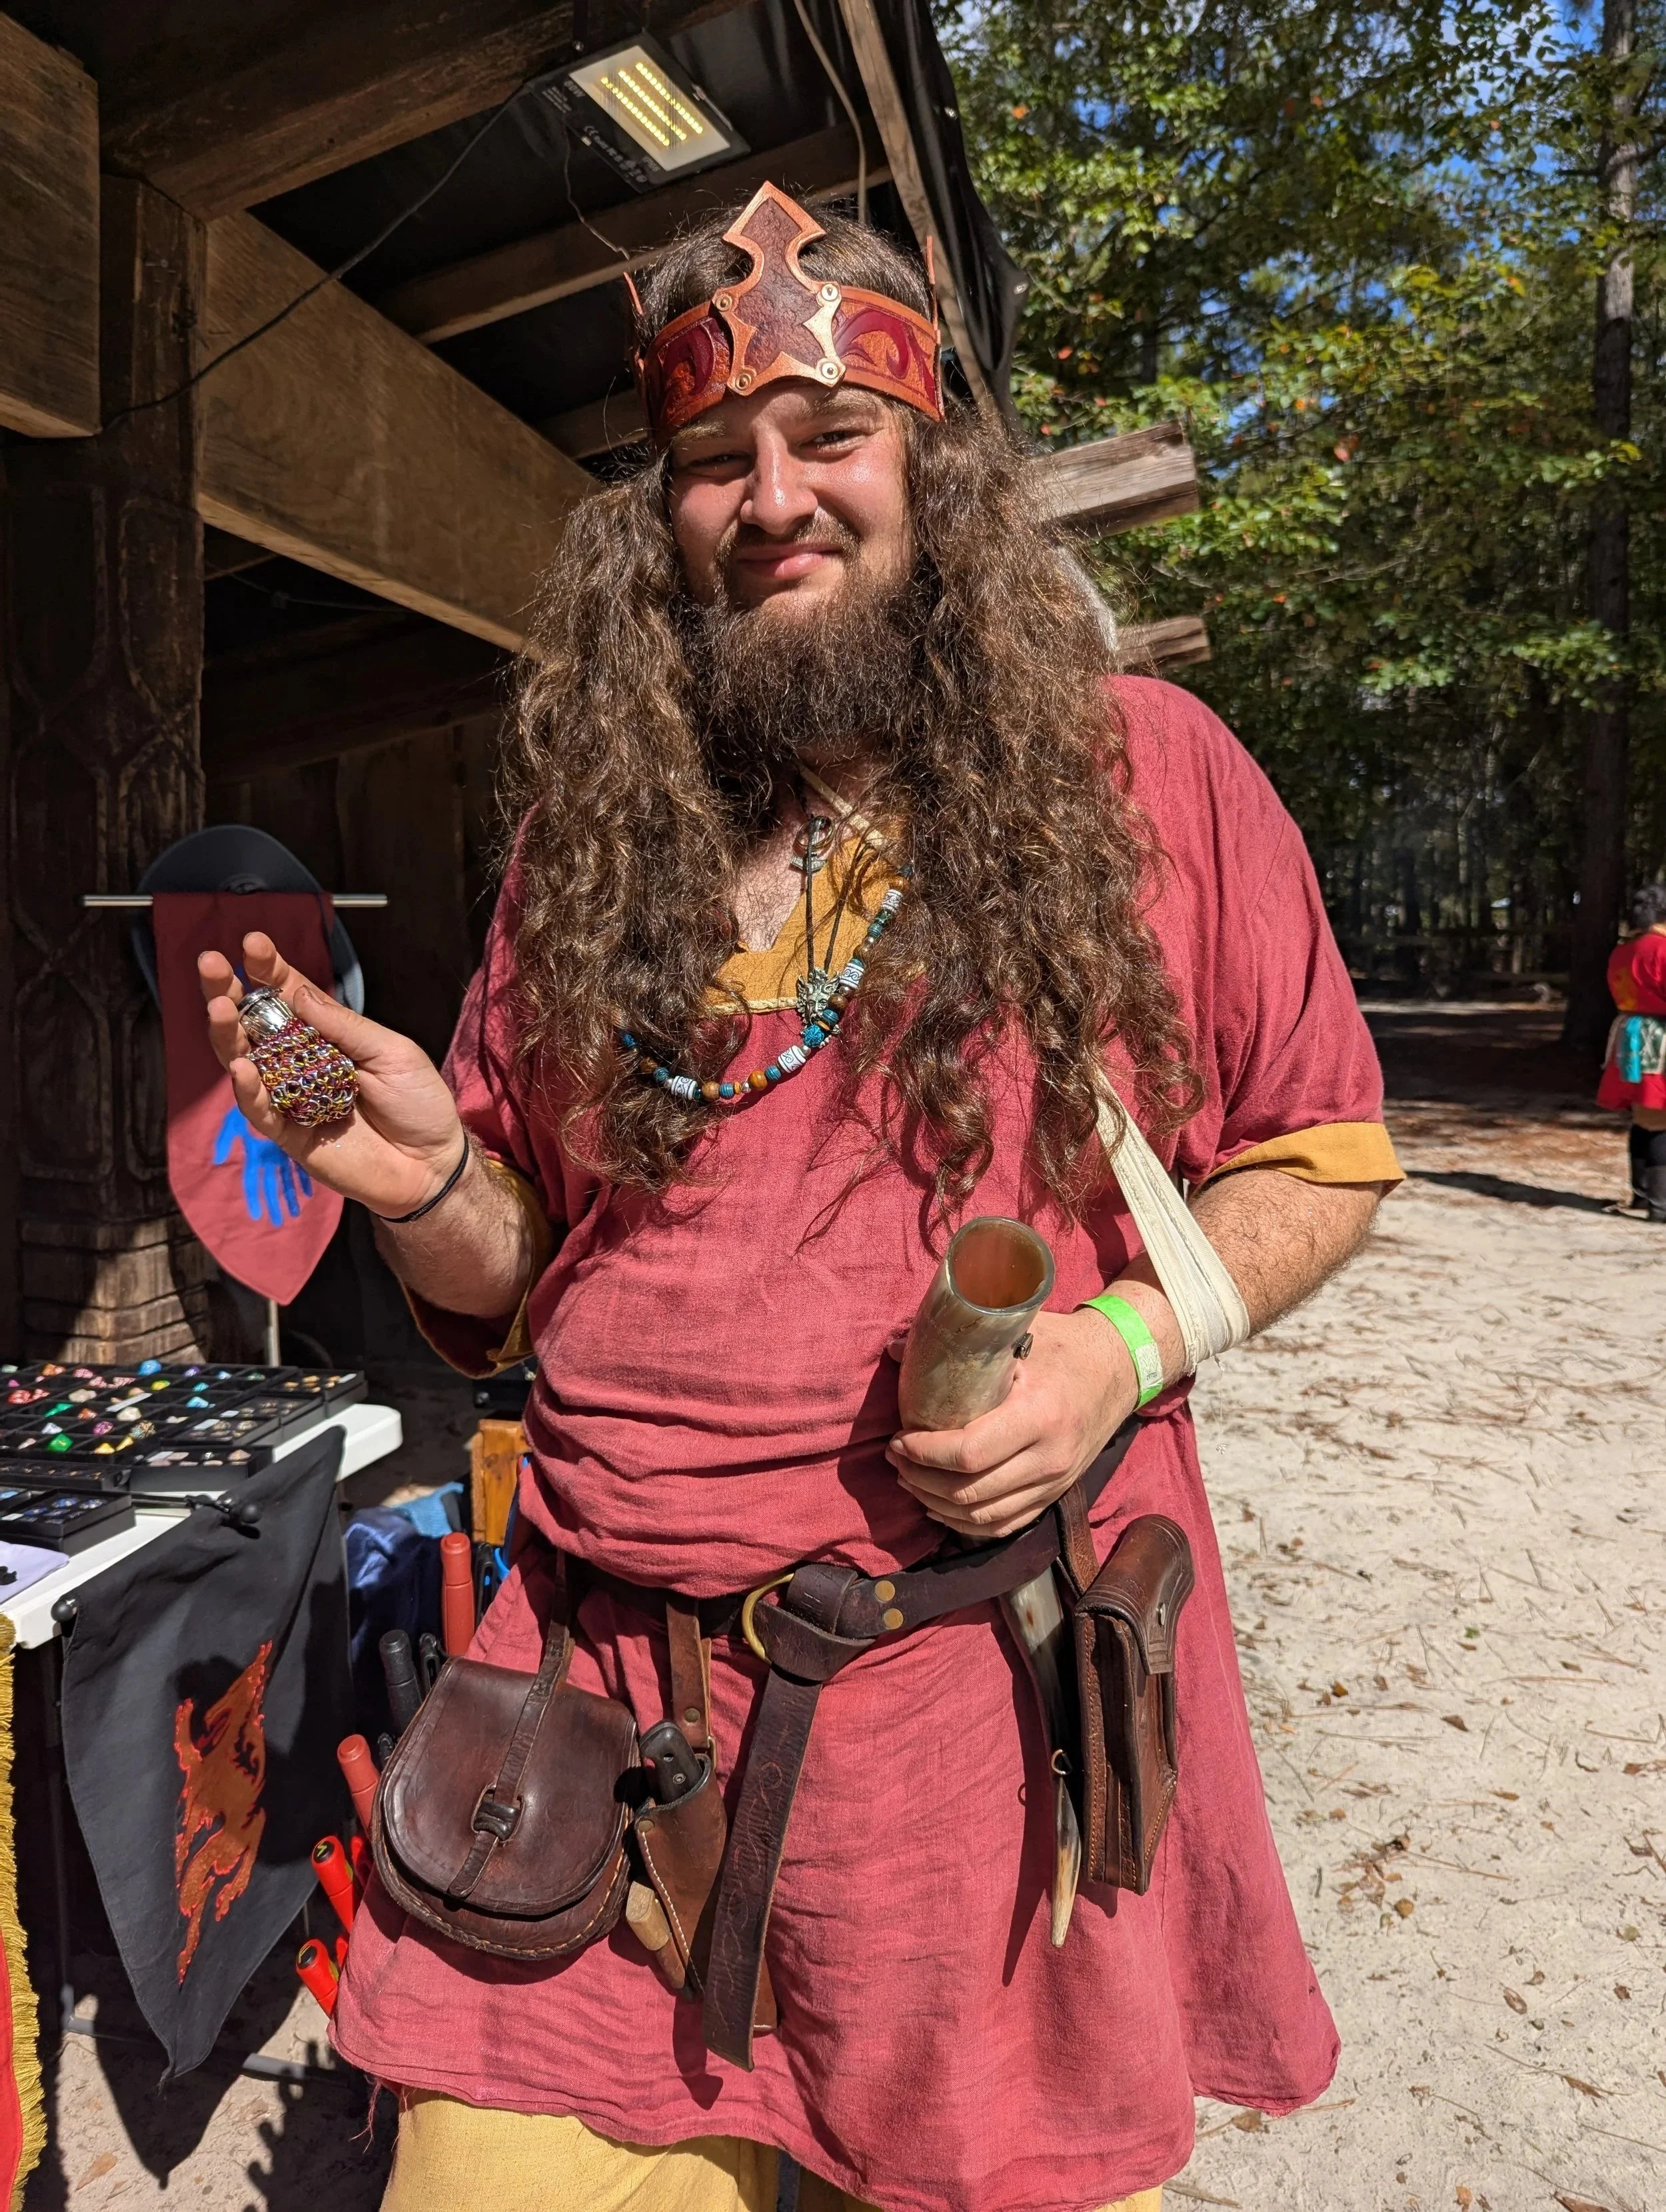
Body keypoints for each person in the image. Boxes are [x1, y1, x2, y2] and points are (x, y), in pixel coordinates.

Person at [198, 185, 1402, 2212]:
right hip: (587, 1721)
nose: (769, 495)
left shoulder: (1144, 776)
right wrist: (413, 1173)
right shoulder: (592, 853)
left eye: (826, 436)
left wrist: (1118, 1348)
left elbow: (1318, 1150)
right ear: (654, 520)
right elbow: (509, 1271)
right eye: (707, 459)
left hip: (963, 1747)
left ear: (927, 466)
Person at [1596, 881, 1666, 1220]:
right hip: (1660, 1038)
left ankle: (1641, 1195)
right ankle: (1661, 1205)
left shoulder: (1623, 950)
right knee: (1661, 1119)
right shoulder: (1662, 949)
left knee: (1643, 1117)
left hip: (1630, 1035)